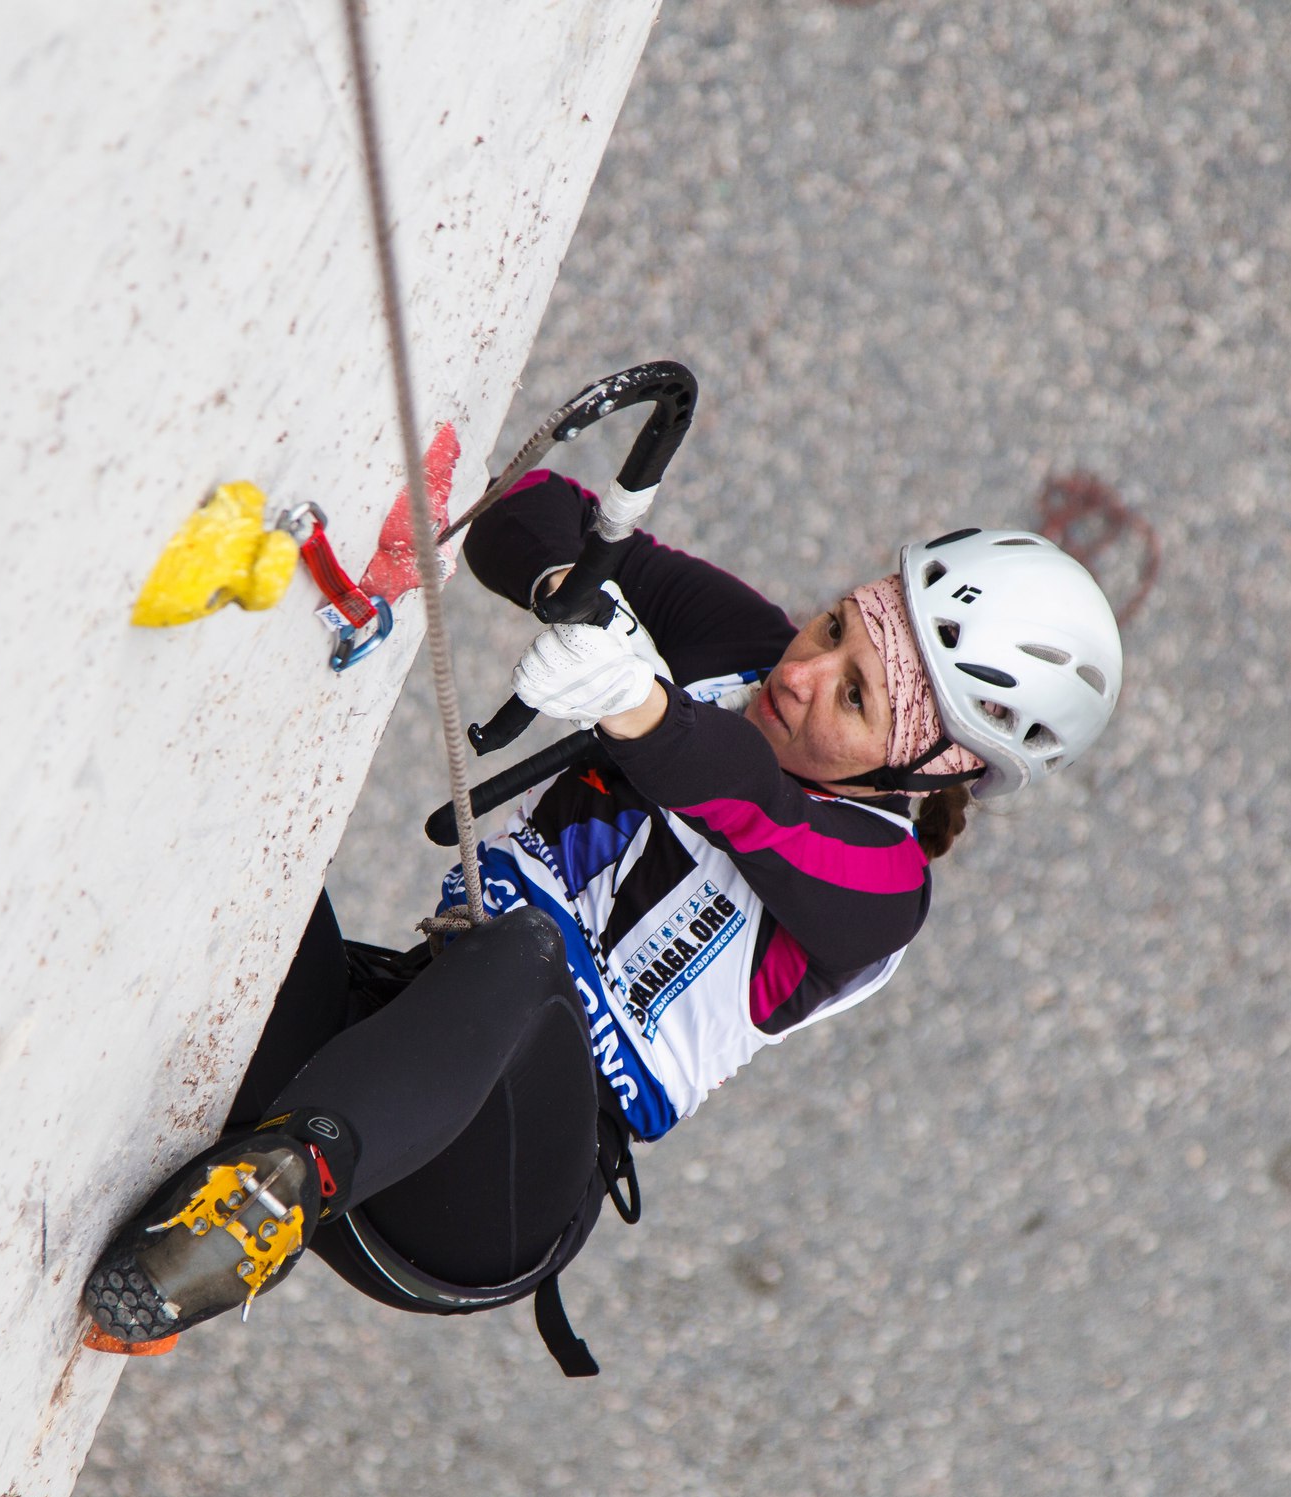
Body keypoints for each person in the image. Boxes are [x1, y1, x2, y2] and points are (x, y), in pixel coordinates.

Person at [80, 471, 1125, 1362]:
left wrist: (642, 708)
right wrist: (571, 593)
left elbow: (752, 807)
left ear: (931, 768)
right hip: (371, 1060)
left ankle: (264, 1201)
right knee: (250, 873)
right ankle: (218, 1203)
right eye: (834, 623)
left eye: (853, 697)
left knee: (527, 961)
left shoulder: (882, 888)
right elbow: (527, 508)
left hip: (480, 1201)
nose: (797, 674)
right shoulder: (743, 653)